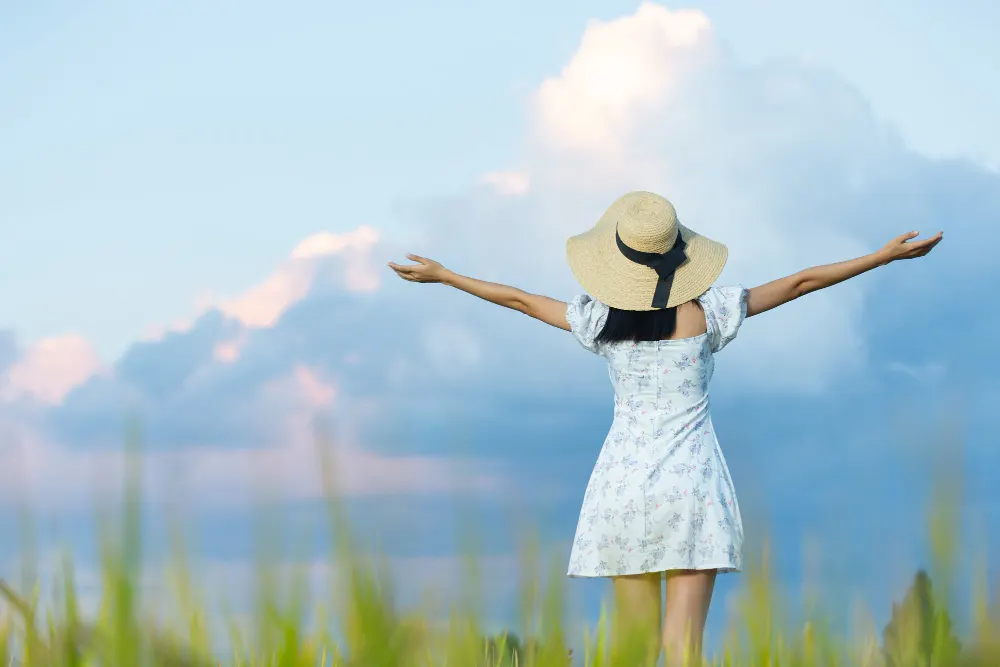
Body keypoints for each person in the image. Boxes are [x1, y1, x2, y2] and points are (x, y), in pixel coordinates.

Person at [388, 191, 942, 665]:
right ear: (681, 256)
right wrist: (882, 257)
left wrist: (444, 275)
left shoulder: (599, 321)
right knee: (685, 650)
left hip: (623, 491)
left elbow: (516, 298)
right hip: (692, 486)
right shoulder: (711, 313)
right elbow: (800, 283)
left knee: (634, 648)